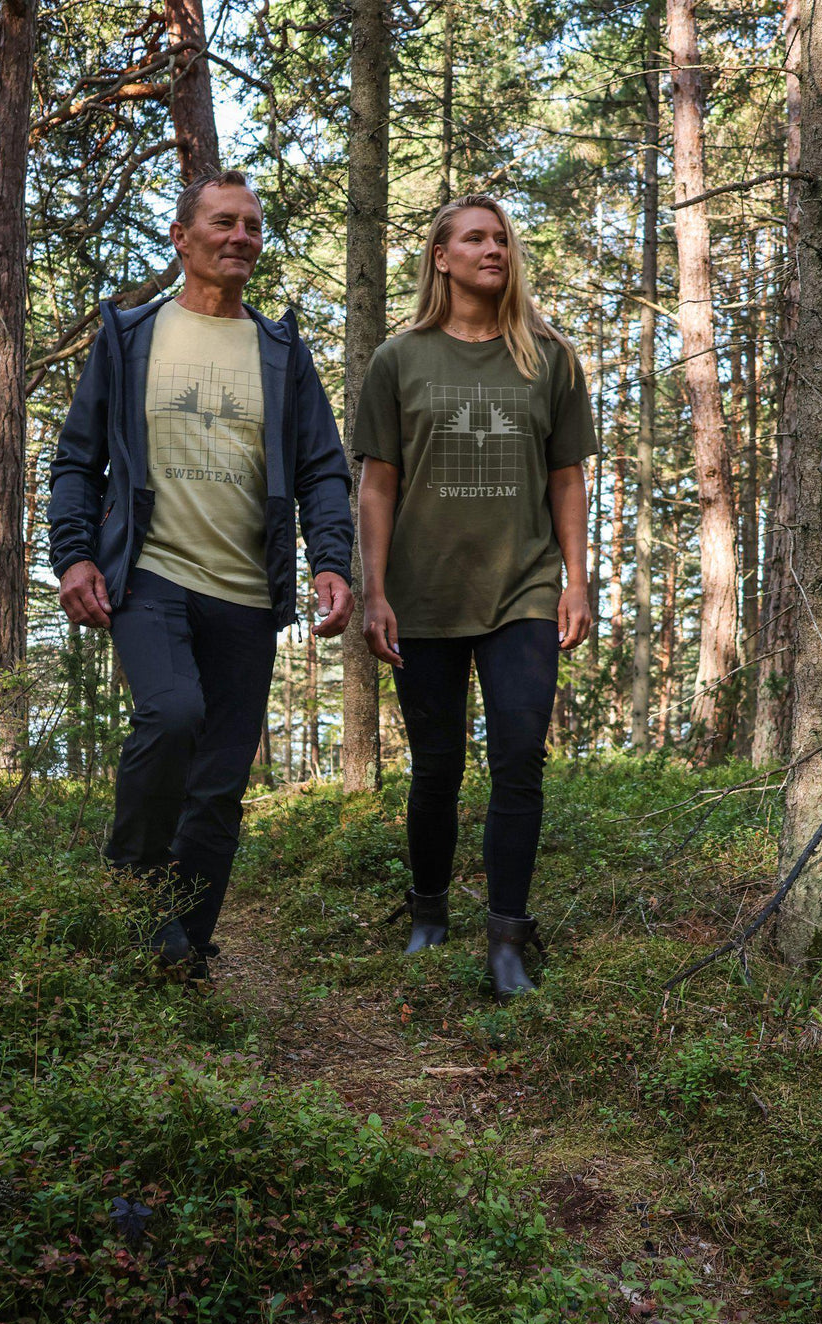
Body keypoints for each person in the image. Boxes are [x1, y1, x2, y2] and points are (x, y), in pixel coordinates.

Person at [48, 170, 354, 975]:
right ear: (182, 237)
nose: (241, 237)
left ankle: (185, 941)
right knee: (172, 714)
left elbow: (324, 468)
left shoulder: (281, 351)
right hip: (150, 574)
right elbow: (77, 461)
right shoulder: (130, 335)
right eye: (223, 223)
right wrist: (74, 554)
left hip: (248, 592)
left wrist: (331, 561)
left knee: (219, 781)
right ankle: (132, 887)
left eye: (253, 225)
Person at [353, 192, 595, 1002]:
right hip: (422, 593)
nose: (494, 249)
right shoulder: (399, 360)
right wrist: (374, 590)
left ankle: (507, 940)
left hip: (523, 588)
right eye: (475, 239)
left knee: (519, 756)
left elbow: (567, 478)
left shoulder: (550, 358)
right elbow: (377, 485)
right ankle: (427, 912)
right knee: (438, 766)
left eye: (502, 239)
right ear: (441, 257)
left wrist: (576, 578)